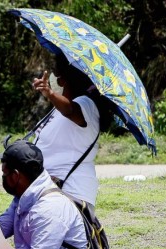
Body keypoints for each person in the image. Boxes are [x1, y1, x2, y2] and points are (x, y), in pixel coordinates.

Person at [31, 53, 113, 211]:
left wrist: (50, 93)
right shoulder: (58, 110)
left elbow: (69, 110)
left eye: (56, 74)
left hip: (70, 193)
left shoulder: (86, 104)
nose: (53, 77)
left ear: (63, 80)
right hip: (48, 190)